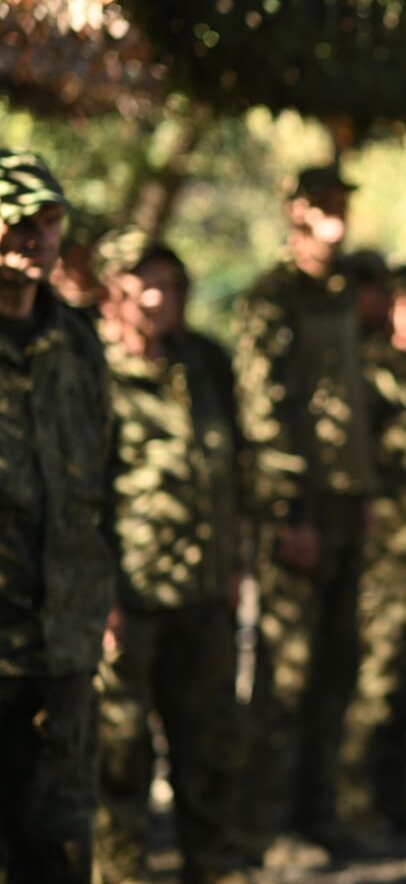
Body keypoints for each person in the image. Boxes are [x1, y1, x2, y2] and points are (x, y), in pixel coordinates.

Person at [90, 234, 249, 884]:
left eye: (171, 283)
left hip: (204, 592)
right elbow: (81, 489)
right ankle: (123, 872)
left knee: (209, 745)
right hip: (130, 596)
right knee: (118, 752)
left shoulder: (204, 362)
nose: (159, 297)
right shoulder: (90, 368)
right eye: (143, 283)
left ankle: (209, 866)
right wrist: (100, 595)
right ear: (112, 292)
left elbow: (230, 467)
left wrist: (235, 561)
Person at [233, 163, 376, 856]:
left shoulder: (346, 292)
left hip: (349, 502)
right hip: (302, 509)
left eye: (342, 205)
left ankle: (318, 810)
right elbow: (264, 410)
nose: (336, 219)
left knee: (337, 665)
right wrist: (290, 511)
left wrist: (364, 490)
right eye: (322, 206)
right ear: (294, 213)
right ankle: (265, 826)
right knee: (286, 674)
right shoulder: (272, 298)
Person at [0, 149, 116, 882]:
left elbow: (100, 479)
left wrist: (103, 601)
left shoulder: (78, 341)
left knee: (59, 843)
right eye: (19, 218)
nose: (36, 236)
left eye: (50, 220)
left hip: (63, 644)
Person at [340, 263, 406, 836]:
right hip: (389, 548)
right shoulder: (372, 368)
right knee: (383, 676)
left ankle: (399, 795)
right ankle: (359, 799)